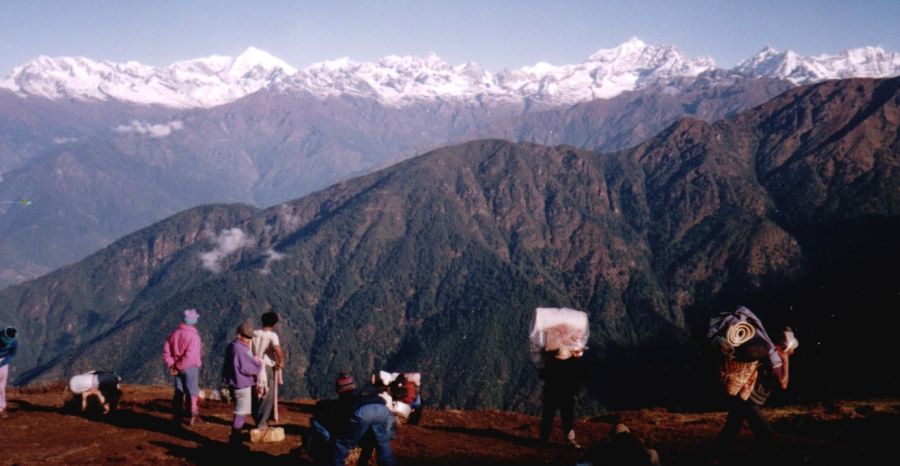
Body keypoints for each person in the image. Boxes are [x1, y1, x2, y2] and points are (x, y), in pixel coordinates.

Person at [712, 325, 797, 463]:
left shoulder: (767, 351)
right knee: (766, 435)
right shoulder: (774, 357)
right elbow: (783, 384)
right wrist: (786, 361)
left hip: (742, 395)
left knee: (733, 425)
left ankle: (719, 454)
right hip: (750, 400)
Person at [332, 374, 397, 466]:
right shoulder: (362, 391)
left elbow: (343, 420)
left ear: (339, 389)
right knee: (383, 442)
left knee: (342, 443)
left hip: (363, 411)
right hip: (383, 409)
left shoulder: (345, 397)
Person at [222, 319, 262, 447]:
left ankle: (235, 439)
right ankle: (235, 440)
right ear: (239, 335)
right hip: (242, 385)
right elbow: (247, 368)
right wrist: (259, 364)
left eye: (250, 337)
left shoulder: (232, 346)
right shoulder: (241, 350)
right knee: (240, 412)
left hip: (233, 383)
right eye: (247, 337)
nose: (249, 340)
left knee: (240, 410)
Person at [308, 373, 360, 465]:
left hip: (342, 438)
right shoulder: (357, 400)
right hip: (355, 435)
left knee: (315, 422)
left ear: (339, 390)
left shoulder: (343, 404)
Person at [539, 346, 585, 448]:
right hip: (567, 394)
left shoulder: (551, 363)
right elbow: (579, 378)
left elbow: (542, 375)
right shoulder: (574, 363)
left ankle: (544, 439)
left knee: (548, 416)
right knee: (568, 417)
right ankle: (569, 439)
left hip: (551, 393)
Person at [163, 309, 202, 426]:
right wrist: (179, 366)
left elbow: (166, 351)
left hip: (177, 368)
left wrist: (173, 365)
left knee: (179, 391)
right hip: (190, 368)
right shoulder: (194, 337)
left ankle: (177, 415)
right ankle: (192, 415)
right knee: (192, 391)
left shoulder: (174, 334)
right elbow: (190, 356)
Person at [251, 311, 285, 429]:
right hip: (265, 368)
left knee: (256, 393)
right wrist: (281, 361)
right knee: (266, 395)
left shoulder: (254, 334)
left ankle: (257, 419)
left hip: (253, 366)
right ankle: (262, 423)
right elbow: (277, 348)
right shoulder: (272, 335)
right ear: (274, 324)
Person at [0, 326, 18, 418]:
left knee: (1, 386)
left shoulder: (14, 342)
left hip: (3, 362)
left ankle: (1, 406)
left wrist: (3, 362)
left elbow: (12, 354)